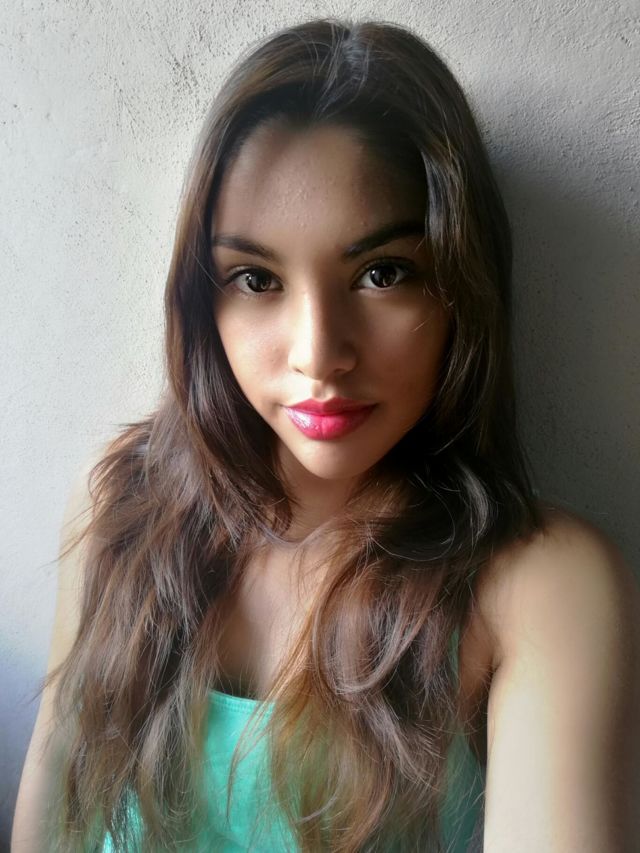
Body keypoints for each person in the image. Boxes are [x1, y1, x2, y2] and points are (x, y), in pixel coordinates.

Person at [11, 16, 640, 853]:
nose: (318, 353)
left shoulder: (537, 584)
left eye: (383, 273)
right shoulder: (119, 503)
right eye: (255, 278)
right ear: (203, 298)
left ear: (461, 282)